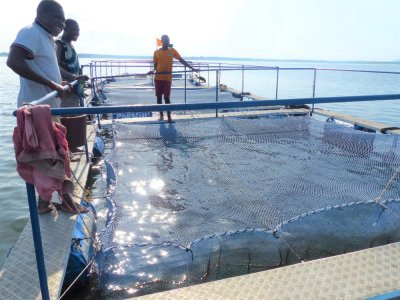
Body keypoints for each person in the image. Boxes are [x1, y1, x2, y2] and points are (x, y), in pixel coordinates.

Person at [7, 0, 88, 214]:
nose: (61, 24)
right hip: (37, 110)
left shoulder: (48, 39)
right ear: (42, 14)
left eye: (63, 20)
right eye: (56, 18)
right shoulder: (30, 32)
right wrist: (51, 84)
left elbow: (44, 68)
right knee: (55, 156)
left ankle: (46, 202)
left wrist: (58, 82)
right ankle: (64, 201)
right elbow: (13, 61)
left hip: (50, 107)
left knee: (49, 157)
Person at [149, 34, 198, 122]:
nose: (167, 41)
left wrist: (192, 68)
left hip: (167, 78)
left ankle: (169, 117)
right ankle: (161, 115)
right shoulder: (156, 52)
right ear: (162, 41)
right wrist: (152, 71)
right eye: (165, 40)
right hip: (158, 78)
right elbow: (155, 65)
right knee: (159, 97)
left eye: (168, 40)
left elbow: (181, 60)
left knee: (167, 98)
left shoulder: (172, 51)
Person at [56, 19, 89, 108]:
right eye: (74, 30)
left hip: (74, 89)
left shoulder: (70, 45)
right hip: (66, 89)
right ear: (65, 29)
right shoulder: (59, 44)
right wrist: (73, 76)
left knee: (75, 112)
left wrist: (80, 78)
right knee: (67, 115)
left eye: (78, 30)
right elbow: (56, 66)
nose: (77, 33)